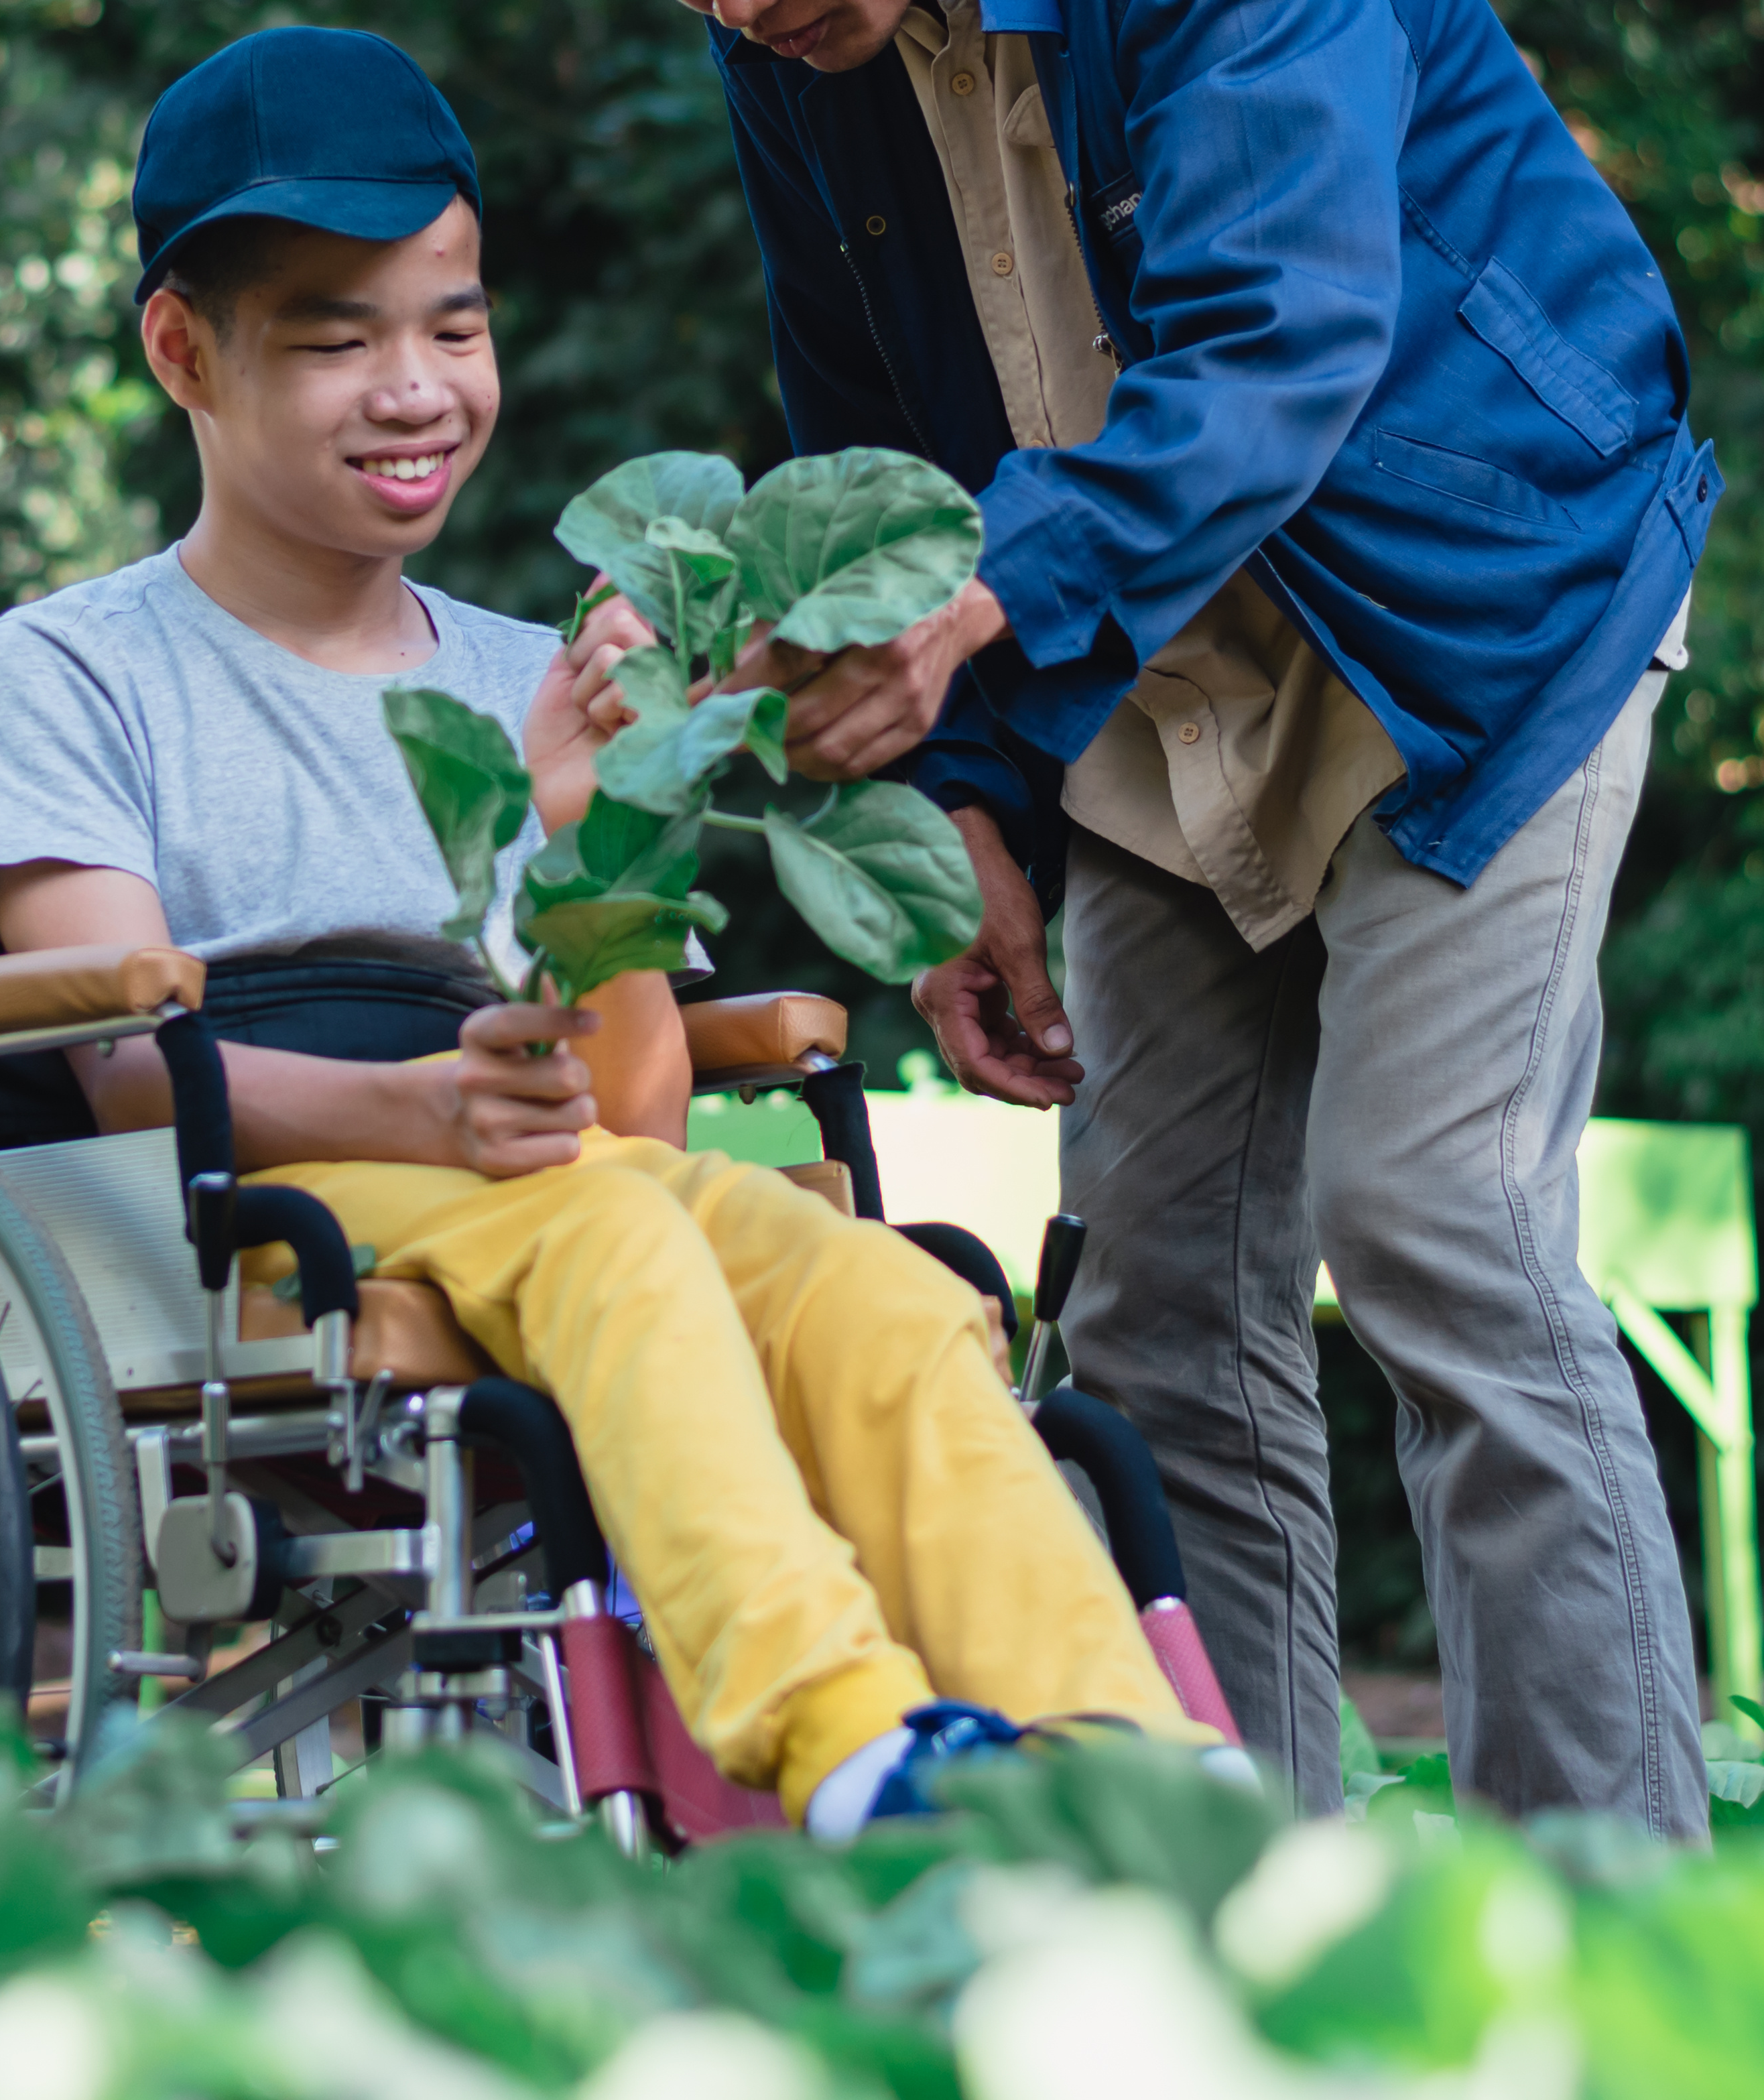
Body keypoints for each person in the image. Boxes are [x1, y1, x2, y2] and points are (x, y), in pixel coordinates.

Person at [0, 25, 1229, 1837]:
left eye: (449, 326)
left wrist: (581, 827)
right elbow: (112, 1061)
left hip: (540, 1165)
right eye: (333, 338)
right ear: (181, 351)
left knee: (876, 1286)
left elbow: (633, 1117)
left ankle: (1132, 1771)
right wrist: (422, 1114)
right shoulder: (66, 672)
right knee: (609, 1235)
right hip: (240, 1187)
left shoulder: (529, 675)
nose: (413, 390)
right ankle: (849, 1740)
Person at [689, 0, 1718, 1832]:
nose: (742, 9)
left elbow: (1278, 339)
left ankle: (1599, 1924)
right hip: (1140, 681)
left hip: (1472, 613)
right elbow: (864, 434)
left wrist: (972, 612)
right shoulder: (787, 45)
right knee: (1154, 1303)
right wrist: (959, 809)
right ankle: (1233, 1912)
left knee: (1432, 1221)